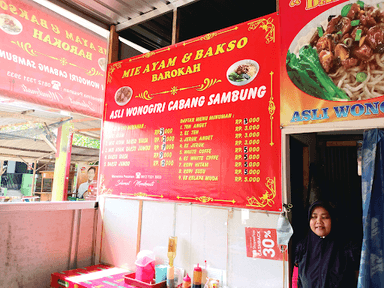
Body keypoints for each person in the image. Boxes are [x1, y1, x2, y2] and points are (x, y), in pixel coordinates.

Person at [293, 200, 360, 288]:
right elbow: (295, 279)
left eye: (324, 217)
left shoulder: (348, 248)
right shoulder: (302, 247)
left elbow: (359, 279)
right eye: (314, 217)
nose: (318, 221)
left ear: (333, 219)